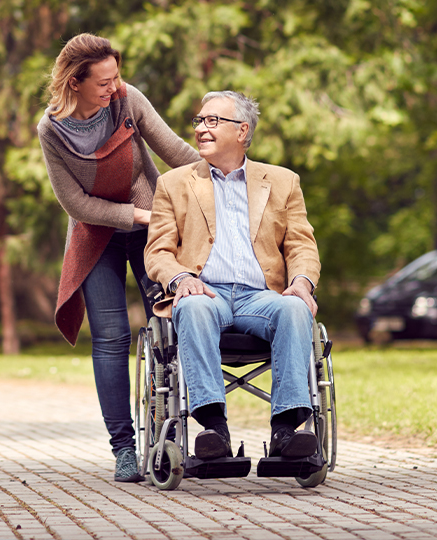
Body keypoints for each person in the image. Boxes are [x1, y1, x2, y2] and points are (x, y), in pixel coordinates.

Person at [39, 33, 201, 482]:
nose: (113, 87)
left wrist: (232, 177)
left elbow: (176, 153)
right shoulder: (51, 131)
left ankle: (185, 428)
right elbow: (75, 203)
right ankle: (124, 450)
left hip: (149, 224)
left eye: (115, 77)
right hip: (97, 233)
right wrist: (137, 215)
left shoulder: (127, 101)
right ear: (75, 82)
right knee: (110, 338)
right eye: (103, 82)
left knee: (173, 317)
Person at [144, 90, 321, 461]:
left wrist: (302, 283)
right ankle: (213, 430)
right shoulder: (174, 184)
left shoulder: (283, 181)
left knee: (295, 309)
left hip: (262, 296)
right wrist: (180, 280)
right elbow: (158, 251)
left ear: (242, 131)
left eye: (212, 121)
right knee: (192, 307)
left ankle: (287, 432)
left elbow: (301, 245)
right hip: (205, 292)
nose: (201, 129)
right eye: (199, 121)